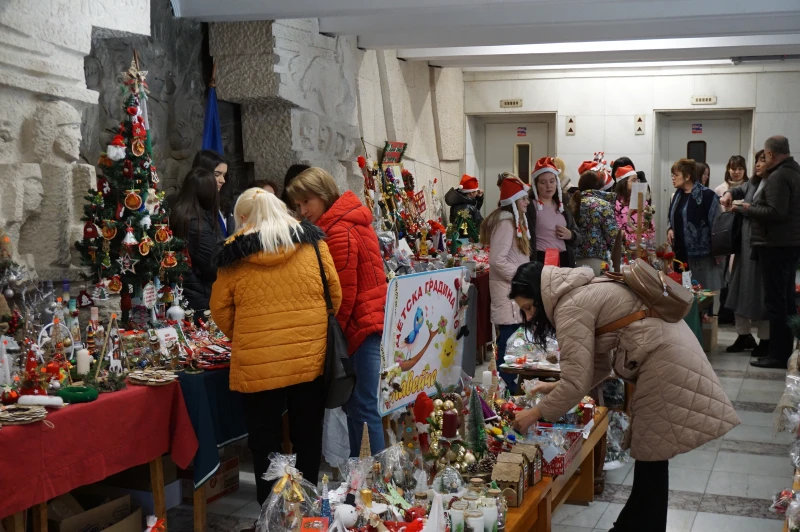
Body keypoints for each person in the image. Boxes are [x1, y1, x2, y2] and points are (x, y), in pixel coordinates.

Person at [509, 262, 739, 532]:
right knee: (650, 460)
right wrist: (558, 387)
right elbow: (598, 367)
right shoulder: (579, 290)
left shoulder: (569, 307)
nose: (528, 317)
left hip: (663, 364)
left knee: (651, 462)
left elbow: (577, 381)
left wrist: (534, 414)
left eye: (528, 308)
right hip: (666, 354)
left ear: (539, 294)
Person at [210, 188, 342, 508]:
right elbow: (333, 295)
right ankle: (307, 504)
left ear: (243, 218)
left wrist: (248, 335)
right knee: (306, 435)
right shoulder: (313, 243)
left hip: (259, 364)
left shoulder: (233, 254)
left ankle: (272, 511)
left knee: (265, 440)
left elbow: (220, 310)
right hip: (308, 359)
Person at [287, 167, 388, 457]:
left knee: (363, 409)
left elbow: (341, 297)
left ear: (323, 195)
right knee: (362, 407)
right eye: (298, 205)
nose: (303, 210)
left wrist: (331, 343)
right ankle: (366, 479)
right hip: (365, 324)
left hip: (357, 329)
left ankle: (372, 484)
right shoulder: (347, 221)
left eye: (307, 202)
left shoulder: (337, 231)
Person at [722, 136, 800, 369]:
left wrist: (747, 208)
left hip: (775, 245)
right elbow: (746, 188)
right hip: (787, 245)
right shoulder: (793, 171)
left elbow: (776, 212)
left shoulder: (779, 176)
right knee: (784, 300)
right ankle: (781, 350)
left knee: (776, 302)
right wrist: (733, 195)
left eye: (763, 156)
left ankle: (777, 353)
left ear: (770, 154)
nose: (761, 161)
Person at [479, 173, 532, 391]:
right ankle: (504, 384)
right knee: (508, 341)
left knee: (514, 340)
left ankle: (509, 383)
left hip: (514, 294)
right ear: (513, 201)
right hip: (508, 295)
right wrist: (521, 275)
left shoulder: (514, 222)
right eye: (524, 199)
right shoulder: (506, 225)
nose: (527, 202)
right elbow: (497, 260)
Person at [724, 151, 769, 355]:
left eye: (763, 160)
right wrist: (729, 194)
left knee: (760, 293)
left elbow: (772, 213)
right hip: (744, 245)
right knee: (738, 289)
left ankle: (766, 340)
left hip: (762, 246)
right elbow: (739, 189)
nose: (758, 164)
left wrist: (744, 209)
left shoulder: (775, 182)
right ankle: (743, 336)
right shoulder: (753, 182)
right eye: (757, 160)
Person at [169, 167, 224, 316]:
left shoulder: (182, 212)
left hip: (192, 291)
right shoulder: (195, 222)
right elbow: (213, 264)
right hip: (198, 295)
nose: (223, 181)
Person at [667, 158, 722, 292]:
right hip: (680, 254)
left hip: (700, 256)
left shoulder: (707, 196)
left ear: (687, 176)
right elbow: (672, 215)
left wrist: (719, 252)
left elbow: (717, 224)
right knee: (684, 291)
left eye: (676, 175)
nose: (673, 178)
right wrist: (670, 228)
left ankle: (703, 313)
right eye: (672, 175)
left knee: (701, 291)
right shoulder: (678, 195)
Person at [525, 157, 583, 267]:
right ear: (536, 185)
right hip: (541, 259)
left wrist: (571, 235)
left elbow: (579, 237)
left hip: (564, 259)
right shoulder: (530, 206)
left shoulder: (562, 206)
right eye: (543, 182)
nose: (548, 186)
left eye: (552, 181)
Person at [570, 171, 619, 276]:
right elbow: (612, 236)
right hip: (597, 261)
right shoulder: (602, 205)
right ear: (600, 187)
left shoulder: (572, 203)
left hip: (572, 261)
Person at [191, 150, 235, 238]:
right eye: (216, 174)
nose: (223, 180)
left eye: (224, 175)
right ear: (201, 174)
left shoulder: (225, 204)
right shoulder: (193, 209)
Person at [613, 165, 655, 254]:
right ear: (623, 183)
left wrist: (645, 241)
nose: (637, 183)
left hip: (644, 248)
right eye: (633, 180)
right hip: (626, 249)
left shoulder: (643, 203)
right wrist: (631, 242)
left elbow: (650, 226)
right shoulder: (616, 205)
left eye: (637, 180)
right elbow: (618, 229)